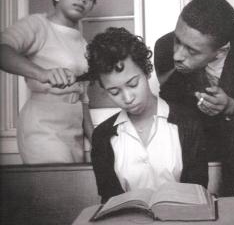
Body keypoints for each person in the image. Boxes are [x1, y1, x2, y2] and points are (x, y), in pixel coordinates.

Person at [87, 27, 208, 204]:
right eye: (114, 91)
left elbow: (198, 192)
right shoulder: (103, 136)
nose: (127, 98)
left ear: (146, 71)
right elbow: (109, 201)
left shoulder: (188, 123)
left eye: (133, 84)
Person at [0, 0, 99, 164]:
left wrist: (96, 141)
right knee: (57, 189)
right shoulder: (38, 24)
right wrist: (42, 73)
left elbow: (83, 100)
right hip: (41, 128)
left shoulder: (83, 43)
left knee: (71, 191)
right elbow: (3, 51)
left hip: (73, 133)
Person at [154, 0, 234, 196]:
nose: (177, 56)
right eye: (177, 41)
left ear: (221, 51)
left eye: (191, 50)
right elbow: (172, 107)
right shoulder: (163, 47)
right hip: (199, 143)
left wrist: (231, 106)